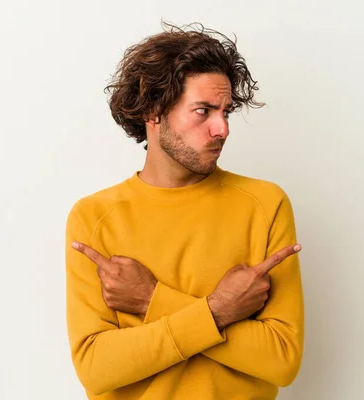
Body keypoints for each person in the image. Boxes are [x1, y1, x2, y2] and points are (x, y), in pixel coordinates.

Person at [65, 22, 304, 400]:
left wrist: (150, 300)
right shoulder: (94, 217)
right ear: (153, 111)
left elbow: (282, 360)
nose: (222, 128)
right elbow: (96, 370)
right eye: (203, 110)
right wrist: (223, 311)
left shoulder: (264, 204)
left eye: (225, 111)